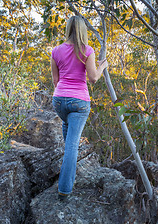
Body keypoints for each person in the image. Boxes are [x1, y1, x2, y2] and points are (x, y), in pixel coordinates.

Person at [51, 16, 108, 200]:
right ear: (83, 30)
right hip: (79, 102)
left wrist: (63, 98)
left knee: (68, 136)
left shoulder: (56, 51)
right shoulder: (87, 50)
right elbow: (93, 78)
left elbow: (55, 81)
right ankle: (65, 189)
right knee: (72, 146)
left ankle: (69, 177)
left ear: (68, 29)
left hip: (59, 100)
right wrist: (103, 66)